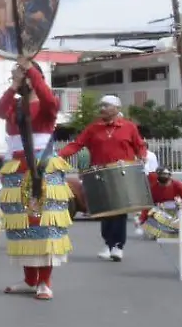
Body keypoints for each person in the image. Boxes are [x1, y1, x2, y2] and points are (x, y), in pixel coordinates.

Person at [0, 61, 72, 300]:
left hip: (43, 168)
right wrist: (15, 85)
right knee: (22, 226)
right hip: (17, 169)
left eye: (19, 74)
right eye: (13, 75)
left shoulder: (47, 107)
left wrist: (32, 73)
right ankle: (29, 279)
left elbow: (50, 101)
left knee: (44, 225)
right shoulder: (14, 106)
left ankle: (44, 282)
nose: (15, 78)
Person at [58, 94, 147, 262]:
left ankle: (118, 247)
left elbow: (139, 145)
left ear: (117, 109)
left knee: (120, 211)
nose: (102, 108)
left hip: (122, 173)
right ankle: (108, 244)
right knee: (104, 211)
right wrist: (60, 156)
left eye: (106, 105)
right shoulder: (93, 128)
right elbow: (77, 144)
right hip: (100, 173)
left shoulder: (129, 127)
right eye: (101, 105)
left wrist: (142, 156)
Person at [139, 167, 182, 240]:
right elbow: (148, 205)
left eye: (165, 174)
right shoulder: (153, 189)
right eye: (160, 174)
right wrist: (142, 220)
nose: (162, 176)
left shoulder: (178, 185)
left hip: (178, 213)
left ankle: (181, 231)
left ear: (170, 175)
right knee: (148, 230)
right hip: (162, 214)